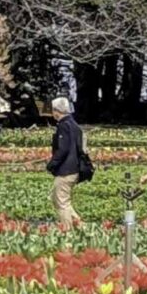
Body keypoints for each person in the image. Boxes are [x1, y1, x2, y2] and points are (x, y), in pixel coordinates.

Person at [45, 95, 85, 227]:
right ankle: (80, 226)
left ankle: (67, 231)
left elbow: (63, 149)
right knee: (58, 199)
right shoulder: (74, 125)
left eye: (53, 110)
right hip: (75, 168)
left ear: (57, 111)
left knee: (62, 202)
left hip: (66, 170)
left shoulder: (63, 126)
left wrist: (52, 164)